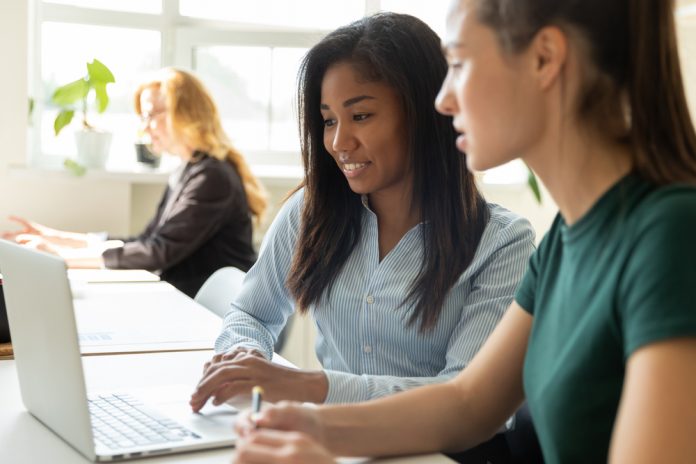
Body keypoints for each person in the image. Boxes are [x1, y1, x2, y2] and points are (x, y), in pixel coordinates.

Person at [231, 0, 696, 463]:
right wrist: (310, 424)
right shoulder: (565, 238)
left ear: (544, 59)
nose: (442, 100)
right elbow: (467, 404)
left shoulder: (671, 236)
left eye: (458, 63)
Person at [190, 12, 534, 418]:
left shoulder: (502, 241)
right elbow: (251, 312)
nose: (338, 142)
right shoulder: (309, 213)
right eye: (329, 120)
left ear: (425, 113)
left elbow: (464, 396)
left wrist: (311, 386)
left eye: (361, 116)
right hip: (332, 440)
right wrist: (244, 352)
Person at [3, 68, 267, 298]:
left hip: (210, 315)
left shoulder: (213, 178)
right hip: (187, 302)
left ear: (184, 114)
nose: (145, 126)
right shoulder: (188, 171)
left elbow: (156, 253)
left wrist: (61, 257)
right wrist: (61, 240)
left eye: (151, 115)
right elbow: (146, 241)